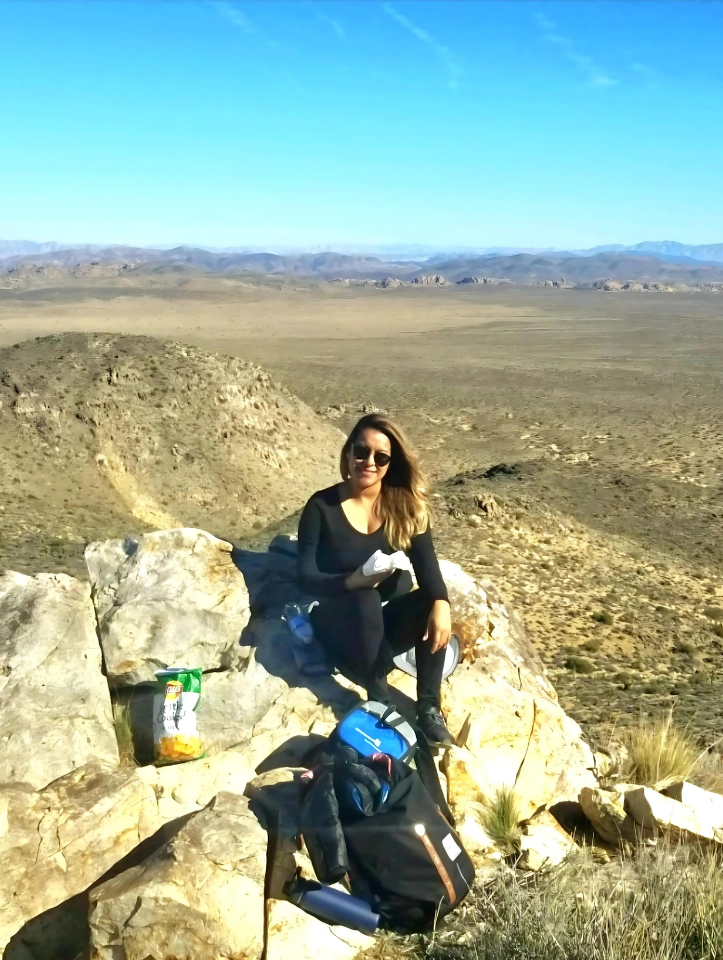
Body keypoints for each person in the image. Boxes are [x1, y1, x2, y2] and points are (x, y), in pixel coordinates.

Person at [297, 413, 455, 746]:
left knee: (430, 602)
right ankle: (380, 701)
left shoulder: (405, 508)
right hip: (337, 628)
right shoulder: (321, 507)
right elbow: (305, 577)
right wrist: (351, 582)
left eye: (380, 457)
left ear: (390, 464)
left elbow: (428, 569)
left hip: (377, 635)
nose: (368, 462)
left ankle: (428, 707)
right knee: (365, 597)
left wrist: (441, 603)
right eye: (361, 451)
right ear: (348, 452)